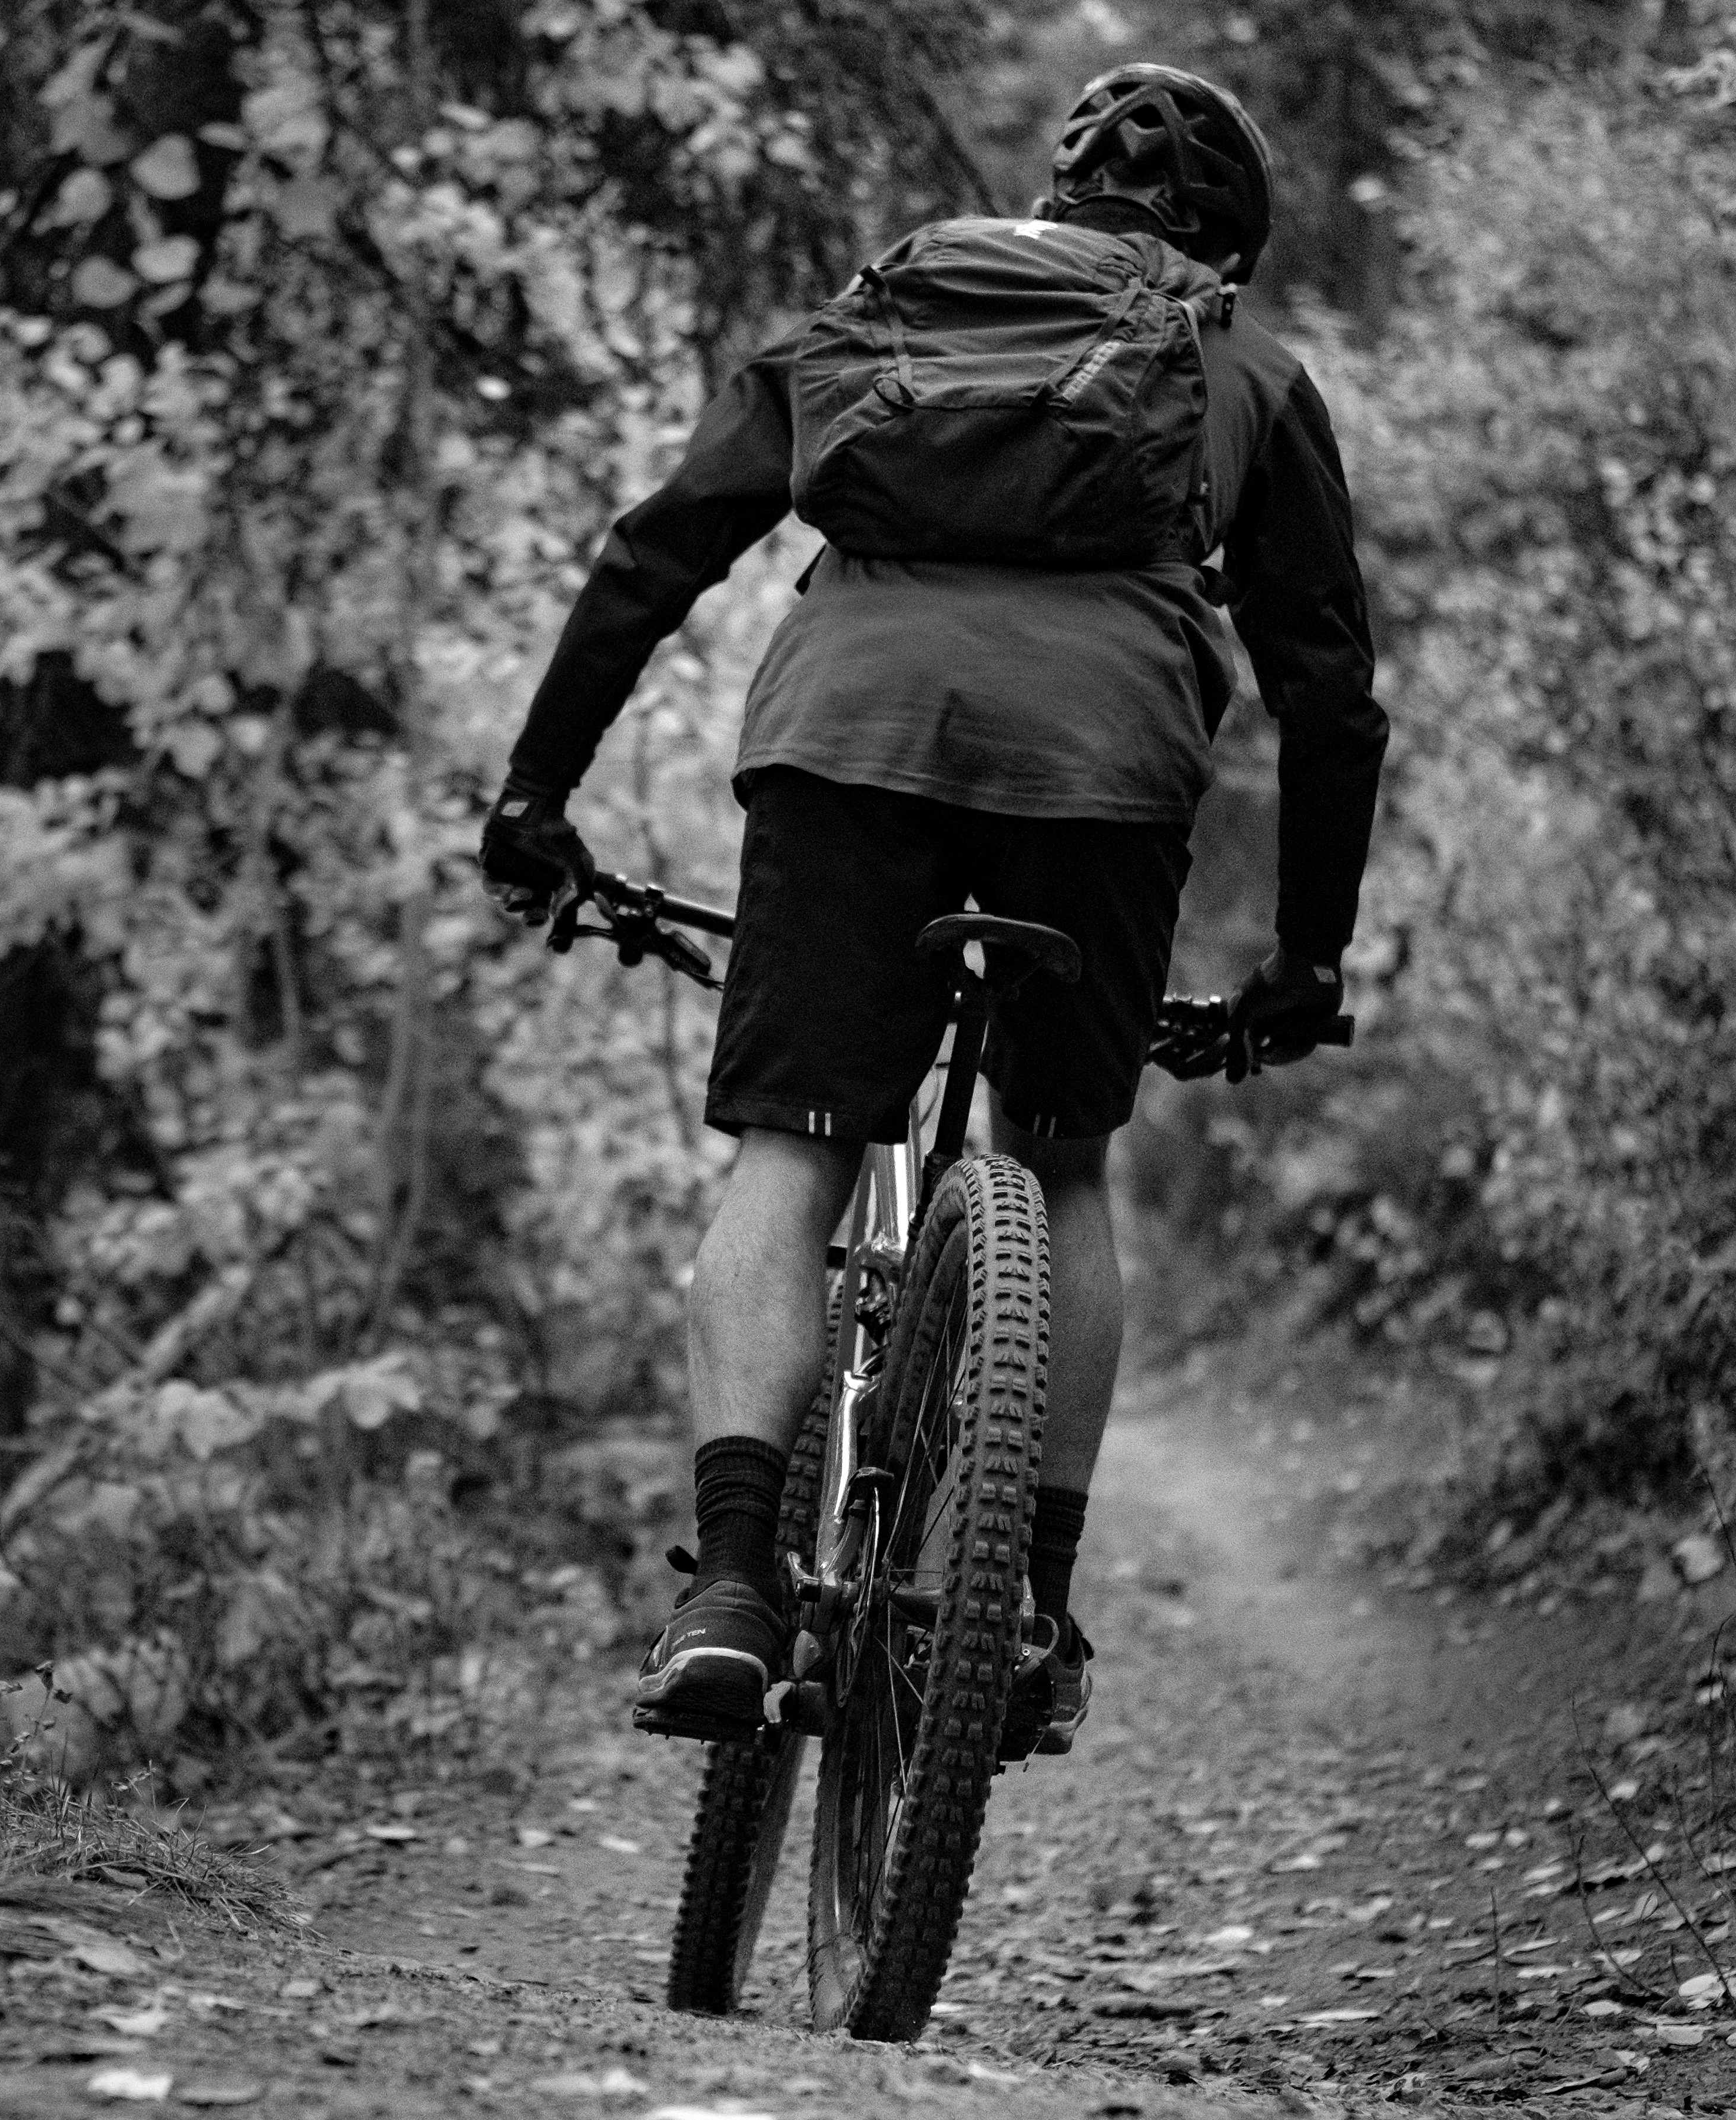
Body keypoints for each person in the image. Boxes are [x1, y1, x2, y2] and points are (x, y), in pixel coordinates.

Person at [479, 63, 1388, 1751]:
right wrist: (1307, 958)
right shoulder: (1242, 365)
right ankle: (1031, 1605)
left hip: (850, 745)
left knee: (795, 1148)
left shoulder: (880, 313)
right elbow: (1328, 692)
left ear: (1052, 204)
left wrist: (538, 794)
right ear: (1224, 251)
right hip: (1102, 773)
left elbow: (658, 550)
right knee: (1064, 1154)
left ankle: (735, 1585)